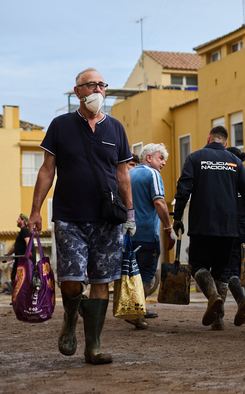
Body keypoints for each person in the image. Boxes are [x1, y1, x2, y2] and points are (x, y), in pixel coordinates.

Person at [28, 68, 134, 364]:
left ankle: (94, 346)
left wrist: (131, 213)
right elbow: (47, 169)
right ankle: (70, 319)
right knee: (71, 280)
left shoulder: (116, 128)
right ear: (77, 92)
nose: (98, 90)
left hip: (107, 218)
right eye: (92, 85)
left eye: (102, 85)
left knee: (102, 280)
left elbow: (122, 174)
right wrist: (36, 210)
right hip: (69, 217)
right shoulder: (60, 125)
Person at [173, 126, 245, 329]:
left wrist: (177, 217)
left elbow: (183, 190)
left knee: (198, 265)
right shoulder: (235, 161)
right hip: (229, 227)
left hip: (202, 224)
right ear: (225, 143)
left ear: (209, 138)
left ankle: (212, 296)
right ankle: (218, 319)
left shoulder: (195, 157)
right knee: (221, 271)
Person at [127, 143, 176, 329]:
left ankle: (136, 313)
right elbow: (160, 202)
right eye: (160, 158)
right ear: (148, 158)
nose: (163, 163)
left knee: (132, 276)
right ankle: (134, 310)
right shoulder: (152, 174)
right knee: (147, 275)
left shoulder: (128, 174)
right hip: (147, 234)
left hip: (128, 234)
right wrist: (168, 228)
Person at [214, 146, 245, 330]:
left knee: (223, 271)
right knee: (241, 271)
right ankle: (243, 311)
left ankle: (219, 317)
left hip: (227, 229)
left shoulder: (222, 181)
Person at [6, 214, 36, 286]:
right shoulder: (21, 232)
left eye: (18, 219)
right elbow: (15, 247)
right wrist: (7, 255)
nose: (17, 221)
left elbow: (28, 241)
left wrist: (28, 253)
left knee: (21, 282)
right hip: (20, 260)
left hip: (25, 261)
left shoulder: (24, 229)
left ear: (23, 221)